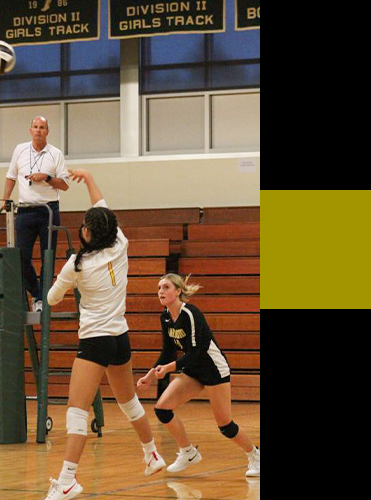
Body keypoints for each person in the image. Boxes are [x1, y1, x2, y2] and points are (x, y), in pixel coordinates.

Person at [42, 169, 166, 500]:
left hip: (95, 341)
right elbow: (102, 205)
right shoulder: (121, 244)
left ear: (87, 232)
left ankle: (68, 479)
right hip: (120, 338)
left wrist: (59, 285)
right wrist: (88, 178)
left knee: (76, 410)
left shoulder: (76, 264)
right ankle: (151, 453)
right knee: (128, 402)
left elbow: (52, 299)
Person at [137, 274, 260, 477]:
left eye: (166, 287)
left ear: (178, 291)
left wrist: (168, 369)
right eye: (158, 287)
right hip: (193, 369)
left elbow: (196, 351)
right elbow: (168, 352)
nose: (160, 291)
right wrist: (151, 374)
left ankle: (254, 454)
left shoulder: (190, 313)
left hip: (213, 368)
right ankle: (188, 452)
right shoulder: (166, 316)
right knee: (162, 409)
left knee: (225, 424)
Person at [3, 116, 69, 312]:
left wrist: (46, 178)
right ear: (30, 130)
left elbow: (65, 185)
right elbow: (10, 176)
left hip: (48, 210)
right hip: (25, 211)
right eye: (35, 127)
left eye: (42, 127)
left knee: (47, 257)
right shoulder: (20, 150)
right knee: (21, 258)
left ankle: (42, 299)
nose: (38, 130)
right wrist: (6, 198)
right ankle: (38, 294)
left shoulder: (55, 154)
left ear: (47, 131)